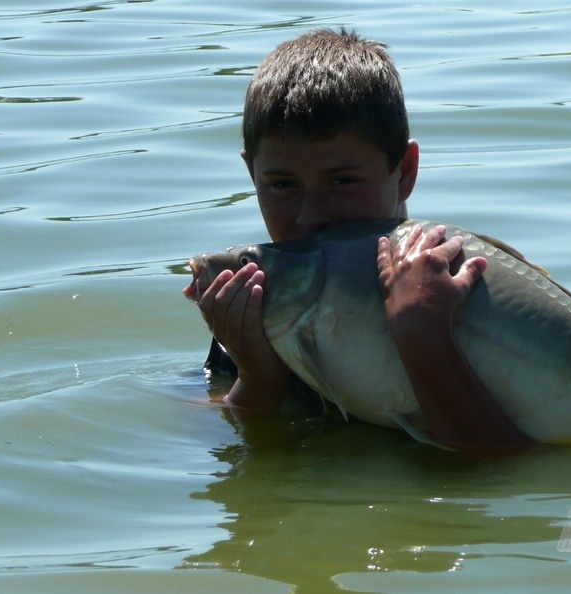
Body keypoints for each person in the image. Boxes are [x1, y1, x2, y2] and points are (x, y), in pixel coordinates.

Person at [185, 28, 529, 454]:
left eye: (342, 181)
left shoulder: (464, 287)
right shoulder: (264, 302)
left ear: (404, 171)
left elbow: (506, 464)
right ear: (251, 175)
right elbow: (221, 442)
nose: (311, 214)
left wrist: (424, 336)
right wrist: (258, 377)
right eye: (282, 184)